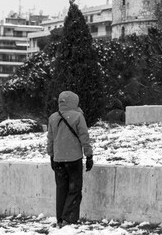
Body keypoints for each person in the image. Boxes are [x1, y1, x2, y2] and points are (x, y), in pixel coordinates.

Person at [47, 91, 94, 227]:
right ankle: (69, 218)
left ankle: (60, 218)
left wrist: (51, 155)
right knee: (74, 188)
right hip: (74, 158)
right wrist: (89, 155)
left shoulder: (53, 117)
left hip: (58, 159)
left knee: (61, 189)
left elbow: (50, 139)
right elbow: (84, 137)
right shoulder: (78, 116)